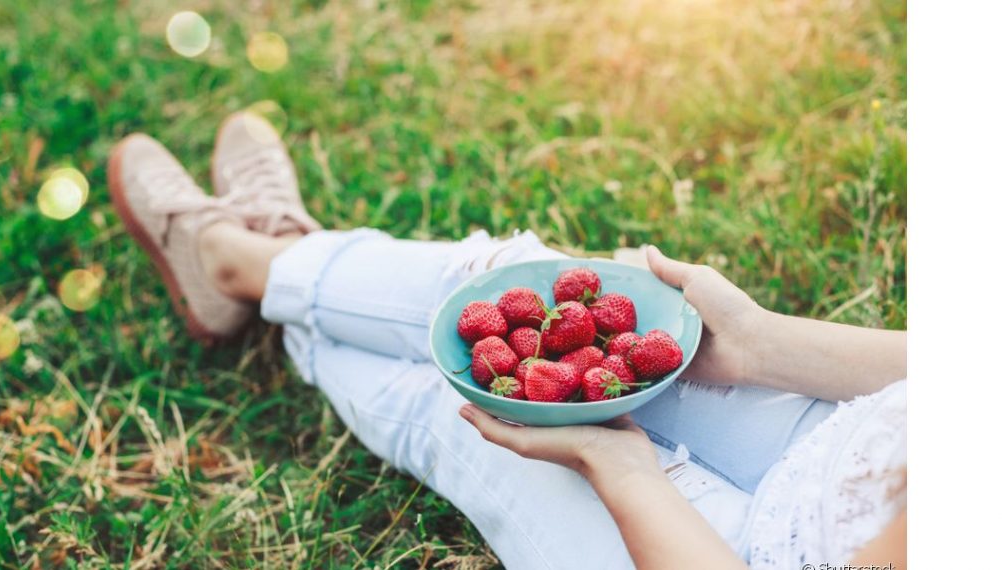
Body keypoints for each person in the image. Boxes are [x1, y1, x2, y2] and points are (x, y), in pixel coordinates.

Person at [108, 112, 907, 570]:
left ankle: (246, 261)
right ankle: (254, 256)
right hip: (858, 428)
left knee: (467, 420)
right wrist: (760, 343)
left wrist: (627, 472)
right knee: (497, 277)